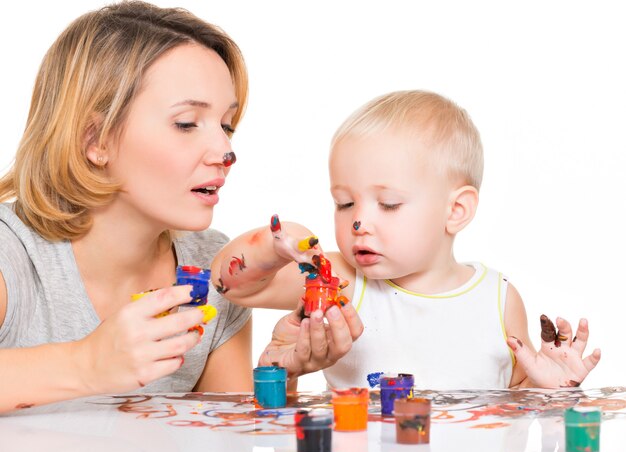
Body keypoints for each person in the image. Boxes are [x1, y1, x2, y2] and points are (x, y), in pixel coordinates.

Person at [0, 1, 360, 414]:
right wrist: (87, 364)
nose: (226, 151)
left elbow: (223, 450)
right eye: (187, 123)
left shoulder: (213, 266)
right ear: (94, 141)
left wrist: (280, 372)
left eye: (226, 125)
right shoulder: (12, 254)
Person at [212, 90, 601, 390]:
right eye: (344, 203)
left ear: (456, 211)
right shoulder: (341, 281)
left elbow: (514, 406)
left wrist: (546, 387)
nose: (359, 220)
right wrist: (273, 244)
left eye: (389, 203)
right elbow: (231, 286)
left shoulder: (498, 298)